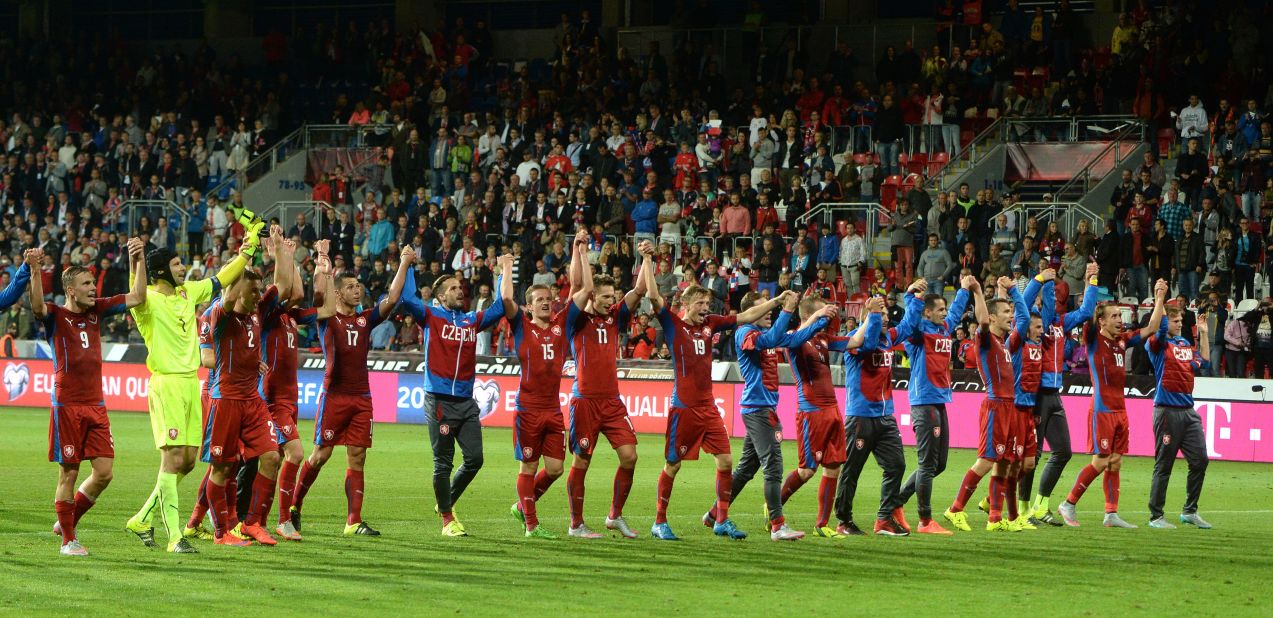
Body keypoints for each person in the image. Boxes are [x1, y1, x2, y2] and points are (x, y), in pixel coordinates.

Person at [124, 219, 261, 553]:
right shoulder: (146, 302)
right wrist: (136, 262)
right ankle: (175, 538)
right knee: (171, 460)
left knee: (186, 462)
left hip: (190, 383)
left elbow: (221, 278)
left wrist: (248, 250)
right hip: (167, 385)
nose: (183, 266)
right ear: (159, 271)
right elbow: (137, 290)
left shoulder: (187, 294)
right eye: (175, 264)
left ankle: (143, 518)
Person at [645, 269, 791, 541]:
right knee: (673, 465)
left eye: (707, 303)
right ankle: (659, 521)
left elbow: (745, 316)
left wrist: (777, 301)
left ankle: (721, 520)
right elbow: (653, 296)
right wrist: (647, 260)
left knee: (725, 461)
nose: (705, 308)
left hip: (708, 408)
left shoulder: (711, 323)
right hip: (684, 408)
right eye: (699, 304)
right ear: (686, 305)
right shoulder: (674, 325)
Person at [290, 240, 413, 537]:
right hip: (334, 396)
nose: (357, 290)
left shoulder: (365, 319)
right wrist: (324, 261)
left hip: (362, 397)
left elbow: (393, 297)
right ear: (338, 293)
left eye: (359, 286)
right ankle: (294, 506)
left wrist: (405, 263)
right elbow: (320, 292)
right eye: (351, 287)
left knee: (358, 456)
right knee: (321, 454)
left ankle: (353, 521)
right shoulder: (327, 318)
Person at [33, 240, 146, 556]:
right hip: (67, 405)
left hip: (96, 404)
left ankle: (66, 522)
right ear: (71, 290)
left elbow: (137, 296)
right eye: (86, 284)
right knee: (68, 472)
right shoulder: (55, 315)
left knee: (104, 471)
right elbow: (37, 306)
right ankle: (69, 541)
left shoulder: (97, 310)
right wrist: (32, 270)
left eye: (92, 283)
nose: (93, 288)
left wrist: (138, 261)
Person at [704, 290, 832, 541]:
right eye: (764, 308)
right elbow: (774, 338)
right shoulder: (745, 333)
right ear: (753, 312)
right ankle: (777, 525)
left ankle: (713, 514)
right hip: (758, 410)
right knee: (773, 467)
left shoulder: (765, 335)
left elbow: (795, 339)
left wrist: (817, 319)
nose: (769, 311)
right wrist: (787, 310)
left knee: (745, 470)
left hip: (762, 409)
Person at [398, 253, 508, 537]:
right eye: (454, 289)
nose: (461, 291)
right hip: (440, 402)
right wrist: (408, 264)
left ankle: (445, 501)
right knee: (443, 462)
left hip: (467, 402)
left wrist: (501, 272)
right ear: (440, 296)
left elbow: (500, 307)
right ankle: (448, 519)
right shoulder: (431, 316)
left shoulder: (471, 321)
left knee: (475, 459)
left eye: (461, 288)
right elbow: (407, 298)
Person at [1057, 279, 1167, 528]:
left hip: (1120, 409)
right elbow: (1087, 312)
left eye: (1121, 314)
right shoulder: (1093, 338)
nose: (1120, 319)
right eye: (1115, 315)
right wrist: (1091, 281)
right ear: (1103, 321)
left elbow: (1151, 327)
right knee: (1101, 460)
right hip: (1102, 409)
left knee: (1116, 461)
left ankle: (1111, 514)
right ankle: (1069, 503)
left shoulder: (1122, 341)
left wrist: (1159, 297)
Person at [562, 235, 652, 539]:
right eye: (605, 297)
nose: (610, 300)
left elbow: (639, 290)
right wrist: (582, 251)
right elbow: (580, 287)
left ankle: (614, 516)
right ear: (592, 298)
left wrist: (646, 258)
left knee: (630, 456)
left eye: (612, 296)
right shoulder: (575, 320)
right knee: (582, 461)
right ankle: (576, 524)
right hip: (585, 401)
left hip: (612, 402)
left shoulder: (615, 318)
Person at [199, 268, 284, 547]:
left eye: (259, 289)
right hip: (226, 400)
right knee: (222, 470)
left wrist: (280, 250)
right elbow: (227, 296)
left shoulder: (256, 314)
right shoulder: (220, 316)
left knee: (272, 456)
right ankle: (222, 532)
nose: (258, 294)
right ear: (237, 290)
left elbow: (283, 284)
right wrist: (243, 258)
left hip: (252, 401)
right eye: (253, 290)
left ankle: (252, 523)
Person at [942, 276, 1027, 532]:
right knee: (987, 460)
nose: (1010, 316)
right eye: (1005, 312)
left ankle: (995, 518)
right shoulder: (986, 340)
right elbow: (981, 320)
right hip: (995, 405)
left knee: (1004, 462)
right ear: (992, 317)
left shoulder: (1004, 343)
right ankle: (955, 509)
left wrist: (1007, 292)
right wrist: (978, 291)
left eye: (1009, 311)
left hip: (1010, 406)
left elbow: (1022, 320)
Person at [894, 275, 973, 535]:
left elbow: (958, 311)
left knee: (939, 465)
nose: (945, 313)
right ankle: (925, 520)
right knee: (927, 464)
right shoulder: (918, 333)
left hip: (939, 400)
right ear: (927, 312)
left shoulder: (943, 329)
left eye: (945, 309)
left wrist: (963, 290)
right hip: (923, 401)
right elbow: (909, 321)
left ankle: (897, 502)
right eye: (940, 309)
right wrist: (911, 296)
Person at [1024, 262, 1099, 525]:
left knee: (1063, 452)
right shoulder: (1038, 322)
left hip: (1055, 394)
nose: (1054, 298)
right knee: (1031, 457)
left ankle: (1039, 506)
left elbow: (1088, 311)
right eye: (1050, 294)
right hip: (1037, 396)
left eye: (1057, 295)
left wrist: (1092, 281)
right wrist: (1040, 280)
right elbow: (1023, 304)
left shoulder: (1061, 322)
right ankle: (1020, 510)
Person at [778, 295, 859, 537]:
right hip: (811, 410)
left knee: (833, 467)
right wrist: (817, 315)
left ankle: (822, 525)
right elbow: (797, 336)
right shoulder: (794, 338)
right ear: (808, 316)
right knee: (807, 470)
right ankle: (773, 509)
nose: (827, 316)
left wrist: (870, 315)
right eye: (823, 313)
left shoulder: (823, 339)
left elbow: (855, 341)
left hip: (832, 409)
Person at [833, 295, 910, 537]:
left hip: (885, 416)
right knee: (852, 470)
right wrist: (874, 316)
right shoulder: (854, 340)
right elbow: (866, 347)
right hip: (860, 416)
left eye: (886, 314)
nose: (886, 318)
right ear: (869, 315)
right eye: (881, 314)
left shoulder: (888, 339)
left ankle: (884, 520)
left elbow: (908, 326)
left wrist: (913, 298)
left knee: (896, 465)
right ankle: (844, 521)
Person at [504, 271, 571, 539]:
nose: (546, 302)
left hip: (553, 410)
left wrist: (579, 248)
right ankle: (531, 524)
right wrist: (507, 267)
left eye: (549, 298)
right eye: (539, 299)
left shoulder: (560, 326)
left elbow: (582, 289)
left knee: (555, 468)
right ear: (529, 306)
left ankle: (522, 506)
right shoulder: (522, 326)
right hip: (528, 410)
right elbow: (507, 297)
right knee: (528, 468)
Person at [257, 232, 313, 542]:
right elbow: (284, 287)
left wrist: (290, 257)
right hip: (272, 399)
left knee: (272, 460)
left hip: (288, 399)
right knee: (295, 453)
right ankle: (282, 519)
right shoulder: (265, 316)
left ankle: (257, 518)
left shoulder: (290, 318)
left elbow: (297, 291)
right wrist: (280, 254)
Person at [1145, 304, 1212, 529]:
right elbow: (1160, 331)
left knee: (1200, 460)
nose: (1180, 323)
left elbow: (1204, 363)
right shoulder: (1156, 343)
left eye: (1181, 320)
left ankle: (1190, 511)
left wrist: (1203, 332)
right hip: (1166, 412)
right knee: (1164, 465)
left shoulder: (1184, 344)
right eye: (1176, 321)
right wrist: (1161, 305)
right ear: (1166, 323)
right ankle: (1156, 516)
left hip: (1188, 412)